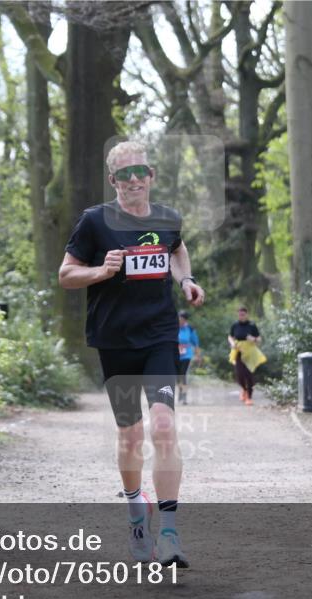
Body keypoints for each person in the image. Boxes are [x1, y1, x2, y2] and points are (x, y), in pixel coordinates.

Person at [58, 140, 205, 568]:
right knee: (131, 437)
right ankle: (136, 515)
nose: (134, 179)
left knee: (164, 427)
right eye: (124, 174)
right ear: (113, 180)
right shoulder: (94, 222)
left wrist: (186, 280)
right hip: (114, 340)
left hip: (159, 337)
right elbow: (66, 274)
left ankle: (171, 534)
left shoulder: (168, 219)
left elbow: (176, 249)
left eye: (140, 171)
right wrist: (101, 271)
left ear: (151, 175)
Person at [228, 306, 262, 406]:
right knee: (239, 374)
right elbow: (230, 336)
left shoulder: (252, 325)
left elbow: (259, 339)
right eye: (239, 314)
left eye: (243, 314)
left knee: (249, 374)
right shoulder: (235, 325)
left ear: (247, 315)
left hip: (250, 352)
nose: (241, 316)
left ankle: (249, 397)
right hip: (238, 351)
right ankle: (244, 389)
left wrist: (254, 339)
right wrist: (232, 343)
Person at [176, 311, 201, 405]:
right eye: (178, 318)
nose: (179, 321)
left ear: (185, 320)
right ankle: (181, 393)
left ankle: (184, 397)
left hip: (187, 355)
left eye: (181, 319)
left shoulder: (190, 329)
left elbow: (196, 343)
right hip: (175, 354)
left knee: (183, 374)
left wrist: (198, 356)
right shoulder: (173, 328)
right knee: (177, 377)